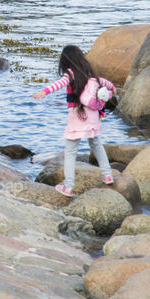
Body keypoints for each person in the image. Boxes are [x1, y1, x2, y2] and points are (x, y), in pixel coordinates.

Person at [34, 45, 116, 196]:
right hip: (92, 116)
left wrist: (44, 92)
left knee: (70, 151)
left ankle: (69, 186)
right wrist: (113, 89)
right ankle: (107, 175)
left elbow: (58, 84)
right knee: (96, 144)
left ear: (65, 61)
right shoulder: (90, 73)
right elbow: (105, 83)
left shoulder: (70, 74)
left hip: (77, 116)